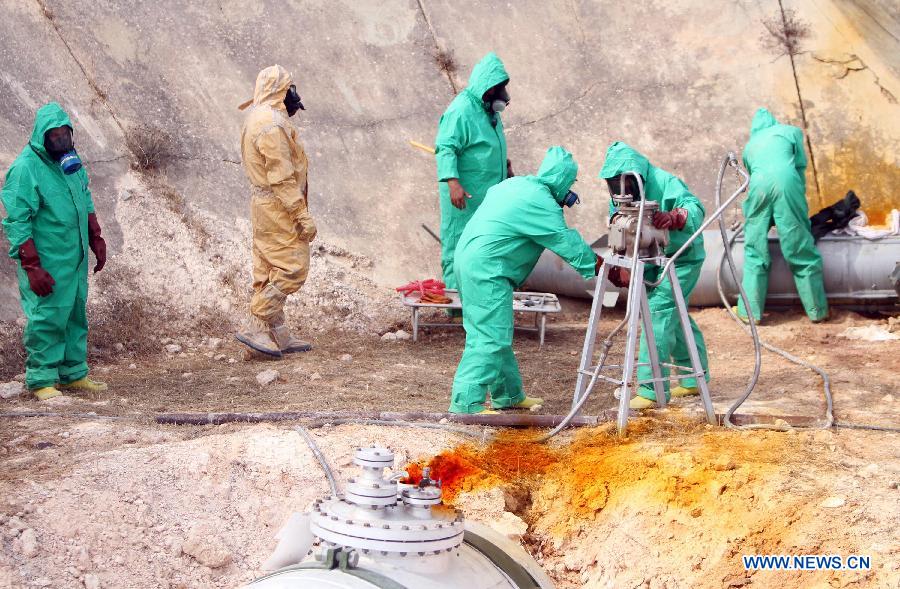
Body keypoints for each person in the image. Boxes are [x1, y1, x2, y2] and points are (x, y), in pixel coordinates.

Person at [450, 146, 601, 414]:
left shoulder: (518, 185)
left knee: (494, 331)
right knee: (489, 337)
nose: (571, 189)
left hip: (470, 260)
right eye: (571, 182)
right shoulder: (541, 202)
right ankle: (466, 403)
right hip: (488, 268)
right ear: (563, 180)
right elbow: (565, 241)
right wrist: (603, 267)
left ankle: (508, 395)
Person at [1, 102, 108, 401]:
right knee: (47, 315)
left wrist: (95, 237)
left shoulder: (70, 163)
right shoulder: (26, 168)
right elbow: (17, 221)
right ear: (42, 136)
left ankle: (74, 373)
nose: (61, 141)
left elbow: (84, 198)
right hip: (47, 258)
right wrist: (32, 266)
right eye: (55, 136)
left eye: (66, 135)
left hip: (73, 256)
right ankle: (42, 378)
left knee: (75, 312)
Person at [599, 142, 709, 410]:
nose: (621, 191)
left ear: (637, 176)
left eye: (624, 184)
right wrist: (621, 263)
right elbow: (618, 222)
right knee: (674, 314)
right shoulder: (623, 196)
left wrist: (676, 217)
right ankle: (694, 375)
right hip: (649, 258)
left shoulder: (665, 181)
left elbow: (695, 207)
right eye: (615, 185)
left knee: (659, 312)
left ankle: (652, 388)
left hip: (680, 257)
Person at [235, 65, 317, 358]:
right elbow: (281, 177)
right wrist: (301, 215)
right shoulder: (271, 125)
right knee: (292, 267)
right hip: (278, 205)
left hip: (265, 204)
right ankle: (257, 319)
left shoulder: (258, 117)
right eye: (288, 89)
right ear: (279, 89)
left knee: (267, 268)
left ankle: (276, 334)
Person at [737, 108, 828, 323]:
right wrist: (798, 211)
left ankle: (750, 313)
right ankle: (817, 311)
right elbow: (799, 167)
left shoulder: (750, 146)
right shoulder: (790, 132)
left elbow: (753, 175)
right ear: (774, 122)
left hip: (757, 189)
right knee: (799, 247)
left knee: (754, 250)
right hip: (787, 185)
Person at [435, 52, 514, 296]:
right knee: (458, 244)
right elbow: (446, 147)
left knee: (482, 246)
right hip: (465, 195)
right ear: (486, 87)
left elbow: (491, 146)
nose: (502, 94)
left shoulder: (491, 113)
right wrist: (452, 181)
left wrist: (506, 167)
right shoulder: (461, 110)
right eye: (497, 87)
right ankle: (458, 304)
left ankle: (479, 298)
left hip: (487, 195)